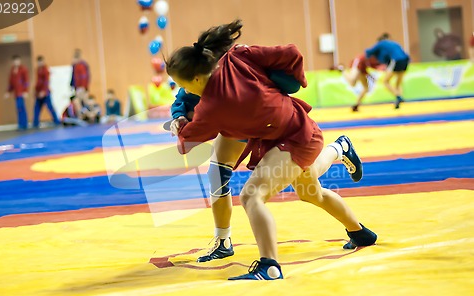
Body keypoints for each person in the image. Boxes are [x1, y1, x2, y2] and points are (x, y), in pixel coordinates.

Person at [167, 19, 377, 280]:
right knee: (311, 192)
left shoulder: (212, 107)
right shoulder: (236, 57)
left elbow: (187, 143)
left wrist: (179, 127)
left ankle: (271, 266)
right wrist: (289, 85)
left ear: (197, 77)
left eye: (185, 85)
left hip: (293, 137)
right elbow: (291, 53)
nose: (184, 90)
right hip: (289, 129)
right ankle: (360, 232)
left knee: (252, 195)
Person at [366, 37, 409, 109]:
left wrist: (366, 58)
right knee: (398, 83)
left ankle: (398, 97)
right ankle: (399, 102)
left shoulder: (381, 43)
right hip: (405, 60)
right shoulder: (394, 43)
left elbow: (369, 51)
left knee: (385, 81)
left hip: (397, 60)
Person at [33, 55, 60, 128]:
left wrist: (44, 91)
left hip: (45, 92)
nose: (39, 63)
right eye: (38, 62)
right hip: (39, 92)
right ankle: (35, 123)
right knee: (37, 108)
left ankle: (56, 121)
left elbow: (46, 81)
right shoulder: (38, 70)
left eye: (41, 61)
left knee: (50, 107)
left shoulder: (45, 70)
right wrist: (36, 91)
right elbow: (38, 82)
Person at [4, 55, 29, 130]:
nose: (16, 62)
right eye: (15, 61)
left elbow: (26, 81)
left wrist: (25, 91)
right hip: (16, 93)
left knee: (21, 107)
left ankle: (24, 124)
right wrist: (8, 92)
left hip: (21, 92)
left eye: (17, 60)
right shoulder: (12, 70)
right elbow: (11, 83)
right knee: (19, 108)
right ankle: (21, 124)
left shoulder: (23, 69)